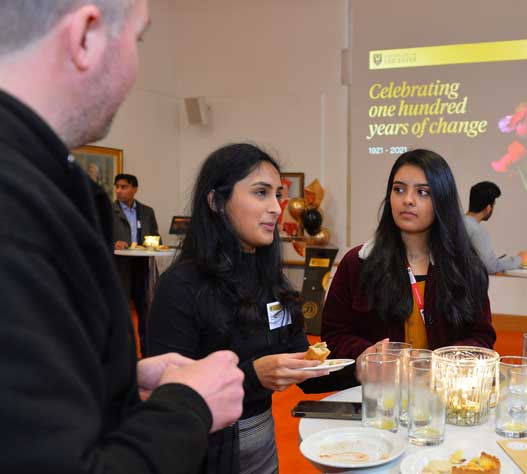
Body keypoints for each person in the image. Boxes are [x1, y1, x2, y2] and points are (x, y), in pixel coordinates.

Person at [0, 1, 245, 473]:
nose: (135, 68)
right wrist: (189, 404)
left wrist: (117, 379)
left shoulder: (40, 184)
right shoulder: (17, 211)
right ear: (87, 36)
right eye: (137, 40)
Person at [148, 143, 337, 474]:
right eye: (261, 193)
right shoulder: (181, 286)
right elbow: (169, 393)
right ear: (216, 201)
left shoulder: (272, 281)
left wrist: (365, 366)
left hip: (263, 443)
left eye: (278, 195)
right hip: (203, 453)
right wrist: (253, 374)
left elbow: (304, 369)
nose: (277, 208)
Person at [321, 149, 496, 362]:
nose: (408, 200)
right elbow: (333, 335)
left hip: (444, 391)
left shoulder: (465, 266)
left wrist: (449, 359)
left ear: (442, 200)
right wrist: (367, 353)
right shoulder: (357, 263)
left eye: (422, 192)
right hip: (379, 391)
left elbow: (482, 336)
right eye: (399, 190)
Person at [112, 173, 159, 354]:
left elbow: (155, 236)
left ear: (134, 189)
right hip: (119, 267)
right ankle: (123, 355)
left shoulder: (147, 212)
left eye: (124, 187)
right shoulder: (108, 210)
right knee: (121, 313)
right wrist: (113, 243)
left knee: (145, 312)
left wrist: (152, 243)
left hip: (142, 266)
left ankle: (147, 354)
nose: (119, 191)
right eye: (117, 187)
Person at [462, 181, 527, 273]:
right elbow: (491, 266)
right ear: (488, 208)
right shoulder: (477, 230)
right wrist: (520, 259)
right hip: (467, 285)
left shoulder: (455, 222)